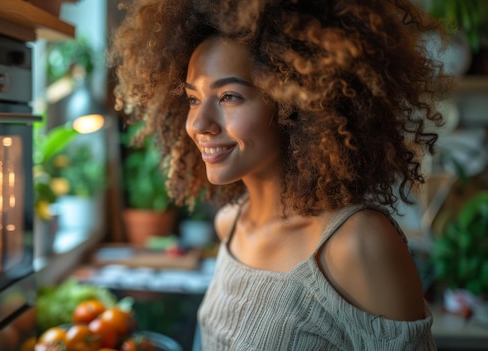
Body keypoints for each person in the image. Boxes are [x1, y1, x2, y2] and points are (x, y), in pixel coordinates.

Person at [108, 0, 451, 349]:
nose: (199, 124)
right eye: (194, 99)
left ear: (298, 104)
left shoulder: (356, 245)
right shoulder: (230, 224)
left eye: (229, 96)